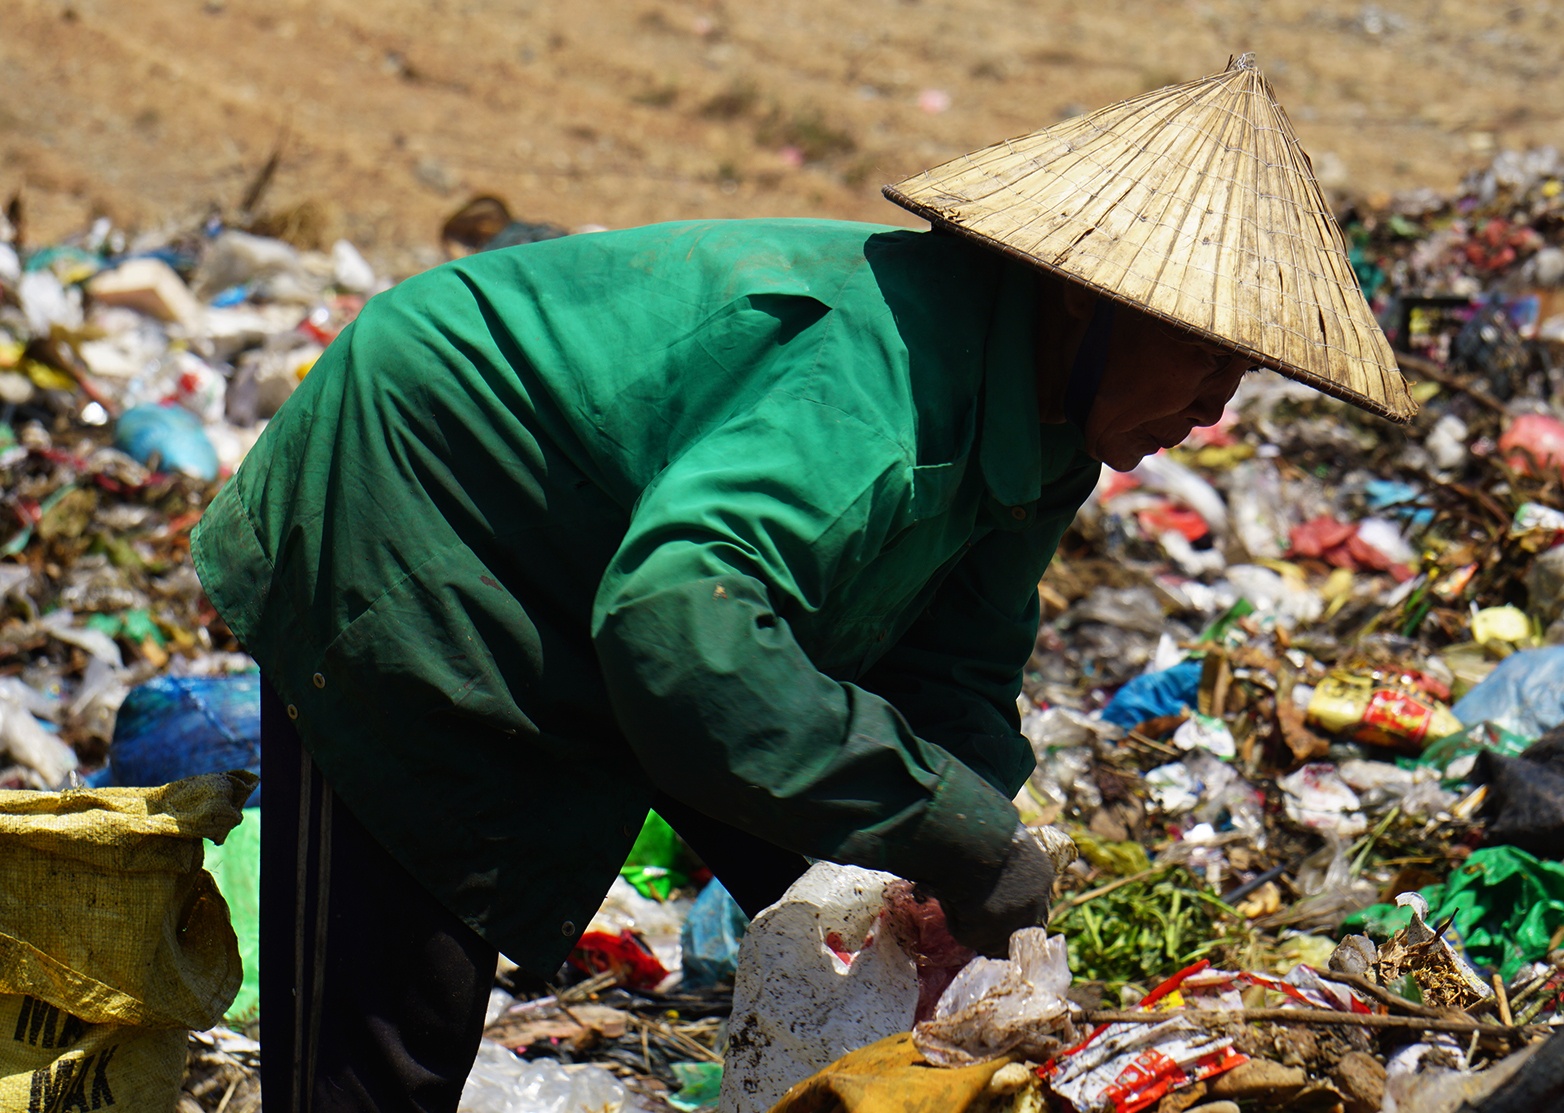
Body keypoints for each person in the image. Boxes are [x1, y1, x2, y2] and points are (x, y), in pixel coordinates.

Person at [191, 53, 1414, 1112]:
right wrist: (950, 834)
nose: (1214, 407)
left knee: (860, 912)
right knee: (392, 1020)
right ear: (1092, 303)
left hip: (622, 558)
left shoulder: (1040, 437)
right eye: (1205, 355)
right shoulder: (875, 386)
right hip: (431, 494)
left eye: (1240, 374)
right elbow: (680, 621)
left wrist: (956, 841)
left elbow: (951, 674)